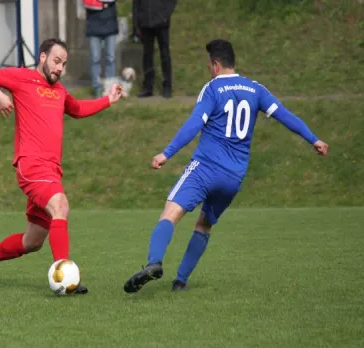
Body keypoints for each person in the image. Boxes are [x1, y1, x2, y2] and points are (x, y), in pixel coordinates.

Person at [123, 39, 329, 293]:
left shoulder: (212, 89)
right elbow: (284, 115)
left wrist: (167, 153)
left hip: (205, 168)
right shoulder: (255, 89)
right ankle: (180, 281)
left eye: (209, 65)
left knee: (170, 214)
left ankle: (154, 262)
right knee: (204, 225)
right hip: (233, 177)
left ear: (216, 65)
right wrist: (314, 139)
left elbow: (194, 124)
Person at [0, 38, 123, 293]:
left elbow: (77, 109)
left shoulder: (59, 91)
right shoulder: (21, 78)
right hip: (31, 166)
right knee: (60, 206)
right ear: (42, 57)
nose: (59, 68)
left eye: (63, 64)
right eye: (56, 61)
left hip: (51, 172)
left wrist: (108, 100)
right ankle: (64, 276)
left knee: (32, 241)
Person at [133, 0, 176, 98]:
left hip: (162, 23)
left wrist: (164, 15)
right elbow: (135, 4)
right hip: (145, 22)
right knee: (147, 55)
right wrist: (136, 25)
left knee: (164, 54)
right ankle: (148, 87)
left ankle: (167, 86)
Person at [84, 0, 119, 98]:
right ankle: (97, 88)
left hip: (110, 25)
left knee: (111, 58)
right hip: (93, 26)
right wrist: (104, 4)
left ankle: (110, 88)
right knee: (95, 58)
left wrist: (100, 3)